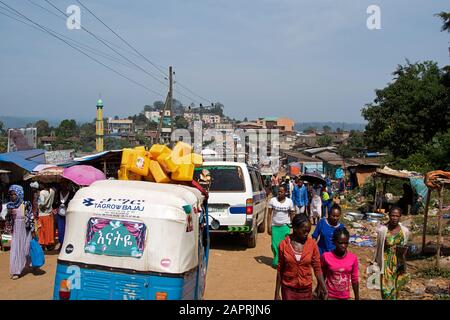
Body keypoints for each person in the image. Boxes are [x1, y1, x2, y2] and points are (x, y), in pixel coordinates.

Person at [275, 214, 327, 300]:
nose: (307, 234)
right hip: (288, 289)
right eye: (304, 231)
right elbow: (280, 269)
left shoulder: (312, 245)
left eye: (308, 231)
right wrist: (276, 293)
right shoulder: (284, 245)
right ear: (295, 228)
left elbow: (317, 268)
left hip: (306, 290)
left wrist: (324, 288)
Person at [374, 206, 410, 300]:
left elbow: (405, 247)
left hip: (399, 264)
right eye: (392, 215)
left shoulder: (404, 231)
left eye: (397, 216)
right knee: (386, 291)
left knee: (396, 290)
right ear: (389, 216)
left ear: (400, 217)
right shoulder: (383, 230)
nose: (394, 218)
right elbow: (378, 248)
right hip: (386, 264)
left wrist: (404, 263)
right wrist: (376, 263)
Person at [5, 185, 35, 280]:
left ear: (19, 194)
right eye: (11, 194)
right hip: (16, 229)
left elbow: (30, 216)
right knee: (16, 249)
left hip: (25, 229)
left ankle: (30, 264)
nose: (13, 196)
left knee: (26, 248)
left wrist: (32, 229)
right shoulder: (10, 205)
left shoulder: (26, 204)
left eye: (15, 194)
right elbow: (8, 220)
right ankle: (16, 271)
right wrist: (9, 214)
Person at [321, 228, 360, 300]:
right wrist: (320, 290)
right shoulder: (326, 256)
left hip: (344, 296)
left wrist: (357, 297)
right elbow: (322, 275)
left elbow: (354, 279)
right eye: (340, 243)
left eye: (346, 243)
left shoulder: (353, 258)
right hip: (329, 296)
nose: (343, 246)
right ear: (334, 242)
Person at [267, 186, 295, 268]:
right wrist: (268, 226)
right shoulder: (272, 200)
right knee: (274, 245)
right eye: (279, 191)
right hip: (275, 226)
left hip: (285, 226)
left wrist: (293, 225)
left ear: (285, 192)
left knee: (285, 245)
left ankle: (280, 262)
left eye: (281, 191)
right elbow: (269, 214)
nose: (279, 193)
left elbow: (292, 213)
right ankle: (277, 259)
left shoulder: (289, 202)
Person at [53, 182, 74, 250]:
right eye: (62, 184)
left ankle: (67, 244)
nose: (63, 185)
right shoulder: (58, 193)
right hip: (60, 214)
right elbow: (54, 204)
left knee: (68, 229)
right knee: (60, 229)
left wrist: (67, 204)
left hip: (68, 214)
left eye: (65, 184)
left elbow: (73, 203)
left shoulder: (71, 193)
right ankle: (61, 243)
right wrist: (58, 203)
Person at [37, 184, 55, 250]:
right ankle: (49, 244)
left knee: (42, 230)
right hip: (49, 213)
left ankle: (43, 244)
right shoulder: (52, 191)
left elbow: (42, 203)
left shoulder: (42, 192)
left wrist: (38, 205)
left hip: (42, 213)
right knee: (49, 230)